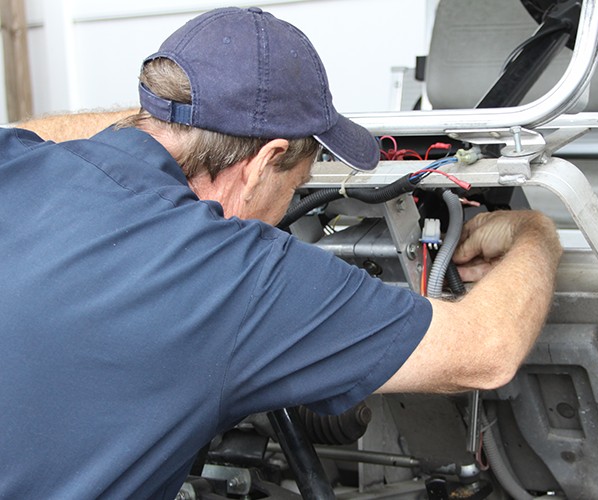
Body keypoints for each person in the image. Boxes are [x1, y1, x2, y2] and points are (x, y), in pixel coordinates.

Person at [0, 7, 562, 498]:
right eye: (296, 186)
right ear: (266, 161)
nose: (288, 205)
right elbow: (487, 352)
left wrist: (181, 117)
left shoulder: (14, 162)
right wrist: (536, 233)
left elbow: (31, 128)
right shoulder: (235, 276)